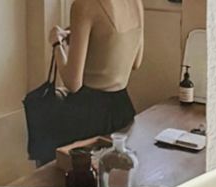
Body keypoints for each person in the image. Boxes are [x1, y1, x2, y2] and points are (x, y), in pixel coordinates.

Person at [35, 0, 144, 160]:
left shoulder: (83, 5)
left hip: (87, 114)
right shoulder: (136, 3)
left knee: (70, 171)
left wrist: (57, 44)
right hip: (122, 110)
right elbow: (136, 62)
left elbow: (73, 83)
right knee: (116, 170)